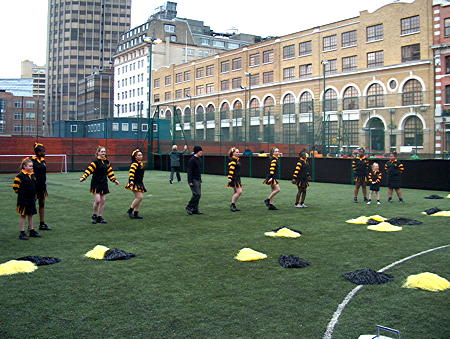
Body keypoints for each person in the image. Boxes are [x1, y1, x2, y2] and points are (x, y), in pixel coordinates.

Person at [79, 146, 119, 224]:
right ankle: (94, 216)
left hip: (104, 183)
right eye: (102, 152)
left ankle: (100, 217)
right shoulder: (95, 162)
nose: (103, 153)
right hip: (96, 183)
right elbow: (88, 170)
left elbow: (110, 172)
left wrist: (114, 180)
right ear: (98, 153)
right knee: (97, 200)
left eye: (104, 152)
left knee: (103, 201)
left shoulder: (107, 162)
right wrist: (83, 177)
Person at [13, 158, 42, 240]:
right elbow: (15, 188)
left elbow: (34, 185)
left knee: (31, 214)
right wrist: (23, 194)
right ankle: (22, 232)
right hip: (23, 199)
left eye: (32, 166)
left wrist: (35, 194)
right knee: (23, 215)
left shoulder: (32, 175)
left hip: (31, 199)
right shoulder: (19, 176)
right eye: (29, 166)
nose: (31, 168)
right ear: (24, 166)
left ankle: (31, 230)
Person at [30, 142, 52, 231]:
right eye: (43, 151)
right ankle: (30, 226)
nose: (44, 152)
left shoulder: (43, 160)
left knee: (42, 204)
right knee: (32, 205)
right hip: (34, 187)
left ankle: (42, 224)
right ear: (37, 152)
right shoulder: (31, 160)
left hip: (42, 187)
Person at [125, 149, 146, 219]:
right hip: (134, 182)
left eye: (141, 155)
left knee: (139, 198)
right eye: (139, 155)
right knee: (139, 197)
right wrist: (131, 181)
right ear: (135, 157)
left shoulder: (140, 163)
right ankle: (130, 211)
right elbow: (131, 172)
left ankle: (136, 213)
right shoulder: (134, 164)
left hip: (139, 182)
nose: (141, 156)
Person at [186, 145, 203, 215]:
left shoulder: (199, 159)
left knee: (198, 194)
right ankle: (189, 206)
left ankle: (195, 209)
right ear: (197, 152)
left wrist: (200, 179)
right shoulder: (192, 160)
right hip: (193, 180)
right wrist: (190, 181)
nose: (201, 152)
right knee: (197, 194)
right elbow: (189, 171)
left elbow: (198, 170)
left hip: (198, 179)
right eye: (200, 151)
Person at [226, 147, 242, 212]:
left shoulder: (236, 160)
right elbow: (231, 169)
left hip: (237, 178)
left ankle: (233, 205)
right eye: (237, 152)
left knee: (236, 192)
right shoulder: (233, 160)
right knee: (239, 192)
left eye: (238, 152)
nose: (238, 153)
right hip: (234, 178)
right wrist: (229, 178)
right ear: (233, 153)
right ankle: (232, 205)